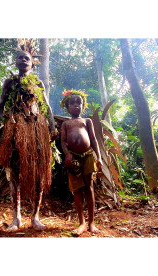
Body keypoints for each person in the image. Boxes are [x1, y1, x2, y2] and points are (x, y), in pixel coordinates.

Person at [0, 39, 56, 232]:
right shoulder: (10, 82)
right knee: (15, 173)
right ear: (16, 62)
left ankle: (35, 217)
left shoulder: (37, 82)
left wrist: (52, 126)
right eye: (20, 58)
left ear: (32, 62)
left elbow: (46, 106)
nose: (23, 60)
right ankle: (16, 218)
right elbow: (0, 105)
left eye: (26, 58)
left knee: (40, 173)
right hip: (15, 128)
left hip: (36, 129)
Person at [60, 89, 103, 235]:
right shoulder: (66, 124)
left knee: (89, 188)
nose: (76, 105)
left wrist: (99, 158)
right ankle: (81, 223)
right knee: (77, 190)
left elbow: (93, 140)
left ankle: (91, 222)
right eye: (72, 103)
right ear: (68, 107)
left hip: (88, 157)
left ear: (83, 106)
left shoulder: (87, 121)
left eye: (79, 103)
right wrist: (67, 155)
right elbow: (63, 142)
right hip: (73, 159)